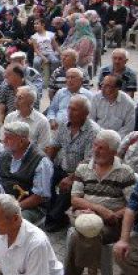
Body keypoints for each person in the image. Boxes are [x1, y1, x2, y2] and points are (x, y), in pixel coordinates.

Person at [66, 130, 136, 275]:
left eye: (101, 148)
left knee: (80, 233)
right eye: (95, 146)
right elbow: (75, 199)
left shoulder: (125, 172)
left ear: (113, 152)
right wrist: (97, 209)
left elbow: (132, 206)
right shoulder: (83, 168)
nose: (96, 151)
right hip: (83, 215)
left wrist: (110, 215)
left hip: (111, 224)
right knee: (86, 227)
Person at [45, 95, 100, 231]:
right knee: (45, 179)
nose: (70, 112)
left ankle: (56, 218)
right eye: (69, 108)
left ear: (85, 114)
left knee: (66, 188)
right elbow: (54, 146)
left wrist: (71, 178)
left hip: (81, 172)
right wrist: (46, 165)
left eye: (74, 110)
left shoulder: (93, 131)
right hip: (61, 165)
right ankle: (49, 211)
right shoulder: (64, 123)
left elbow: (88, 162)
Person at [0, 121, 54, 225]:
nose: (4, 141)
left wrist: (13, 208)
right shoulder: (4, 155)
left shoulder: (41, 161)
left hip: (31, 208)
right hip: (5, 202)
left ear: (22, 141)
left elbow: (39, 197)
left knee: (13, 222)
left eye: (8, 138)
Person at [5, 86, 52, 150]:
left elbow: (44, 148)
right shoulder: (10, 117)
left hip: (31, 157)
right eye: (16, 97)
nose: (15, 101)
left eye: (20, 98)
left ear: (30, 102)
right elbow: (4, 141)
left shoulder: (42, 121)